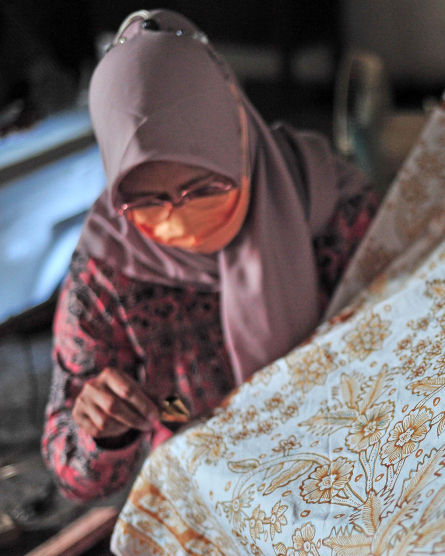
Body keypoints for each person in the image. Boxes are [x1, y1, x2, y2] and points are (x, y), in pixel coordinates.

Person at [41, 9, 377, 502]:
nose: (177, 219)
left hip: (356, 458)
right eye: (146, 200)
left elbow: (405, 351)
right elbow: (74, 475)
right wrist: (104, 432)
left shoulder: (330, 210)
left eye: (203, 187)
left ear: (239, 136)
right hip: (208, 489)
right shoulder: (108, 274)